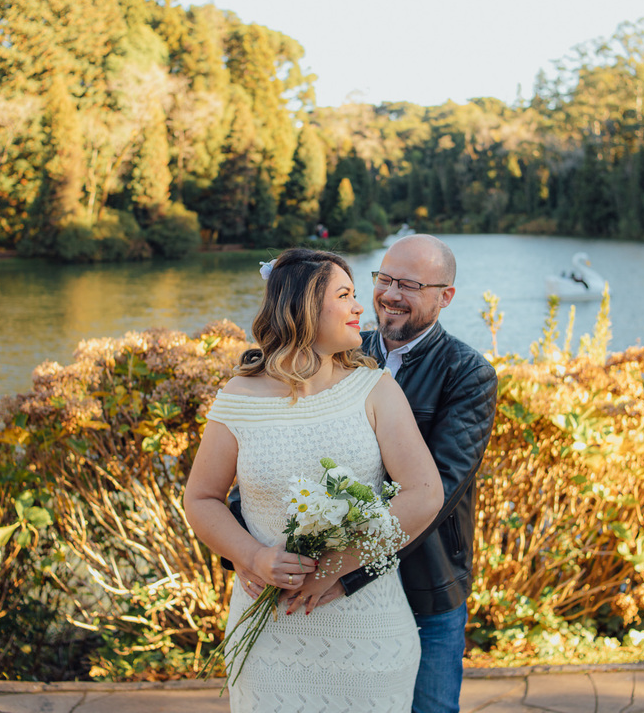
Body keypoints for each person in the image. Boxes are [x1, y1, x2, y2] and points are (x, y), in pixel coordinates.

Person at [235, 234, 499, 713]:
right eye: (384, 279)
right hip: (318, 589)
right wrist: (246, 552)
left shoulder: (467, 373)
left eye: (410, 285)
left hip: (424, 583)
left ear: (446, 297)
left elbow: (433, 494)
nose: (389, 294)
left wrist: (346, 573)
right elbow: (271, 455)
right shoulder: (342, 347)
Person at [184, 247, 443, 712]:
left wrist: (336, 564)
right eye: (345, 295)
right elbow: (202, 498)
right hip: (268, 638)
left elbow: (424, 494)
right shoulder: (238, 397)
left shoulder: (375, 388)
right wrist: (255, 556)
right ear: (302, 307)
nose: (361, 308)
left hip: (368, 634)